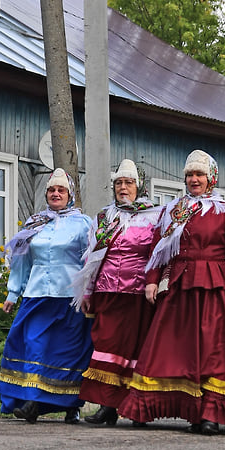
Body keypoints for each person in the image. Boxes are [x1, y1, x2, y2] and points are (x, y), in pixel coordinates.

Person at [118, 150, 225, 435]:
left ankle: (209, 412)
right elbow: (157, 249)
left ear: (211, 179)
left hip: (215, 286)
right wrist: (151, 280)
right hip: (180, 285)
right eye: (190, 175)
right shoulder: (173, 210)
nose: (194, 180)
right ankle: (152, 404)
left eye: (200, 175)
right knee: (172, 347)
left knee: (213, 348)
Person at [0, 168, 96, 424]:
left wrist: (89, 291)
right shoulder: (35, 223)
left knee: (67, 351)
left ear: (70, 194)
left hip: (69, 297)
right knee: (34, 345)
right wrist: (13, 291)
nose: (55, 194)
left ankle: (71, 405)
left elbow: (90, 261)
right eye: (51, 190)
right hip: (38, 294)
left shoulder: (83, 223)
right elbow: (22, 260)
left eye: (60, 190)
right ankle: (32, 401)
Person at [74, 159, 163, 426]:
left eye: (129, 183)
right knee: (106, 348)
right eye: (119, 183)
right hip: (107, 291)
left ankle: (138, 409)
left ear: (139, 187)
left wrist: (154, 283)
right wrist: (87, 292)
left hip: (138, 294)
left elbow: (158, 255)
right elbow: (92, 258)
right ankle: (107, 407)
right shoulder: (104, 217)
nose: (123, 188)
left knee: (137, 350)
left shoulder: (154, 216)